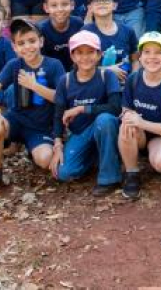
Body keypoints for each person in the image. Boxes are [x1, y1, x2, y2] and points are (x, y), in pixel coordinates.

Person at [0, 18, 66, 196]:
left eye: (32, 41)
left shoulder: (54, 65)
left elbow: (62, 98)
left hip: (42, 126)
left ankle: (32, 151)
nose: (27, 47)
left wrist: (34, 86)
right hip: (17, 120)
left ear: (41, 42)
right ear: (14, 47)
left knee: (45, 159)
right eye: (21, 43)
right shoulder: (14, 65)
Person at [50, 31, 123, 197]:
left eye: (90, 52)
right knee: (64, 173)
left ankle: (109, 178)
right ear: (72, 56)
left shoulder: (107, 76)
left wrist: (82, 109)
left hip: (104, 127)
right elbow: (58, 114)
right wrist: (58, 145)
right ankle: (97, 157)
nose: (85, 57)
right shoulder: (66, 80)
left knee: (104, 120)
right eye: (80, 52)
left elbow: (115, 107)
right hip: (80, 132)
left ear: (99, 55)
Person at [119, 32, 161, 200]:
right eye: (147, 52)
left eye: (158, 52)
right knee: (126, 125)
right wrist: (131, 119)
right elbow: (126, 110)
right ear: (140, 57)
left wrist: (141, 122)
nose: (152, 57)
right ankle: (132, 173)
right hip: (141, 134)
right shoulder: (133, 79)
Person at [83, 0, 139, 86]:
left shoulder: (128, 31)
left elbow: (135, 60)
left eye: (105, 0)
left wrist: (133, 79)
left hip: (123, 87)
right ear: (90, 7)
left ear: (114, 5)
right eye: (96, 0)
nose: (101, 3)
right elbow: (80, 67)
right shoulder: (86, 32)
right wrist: (107, 70)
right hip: (95, 87)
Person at [38, 0, 85, 73]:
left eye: (64, 4)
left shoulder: (78, 24)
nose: (60, 9)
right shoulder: (40, 30)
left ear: (72, 5)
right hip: (50, 74)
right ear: (46, 8)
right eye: (54, 5)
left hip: (76, 73)